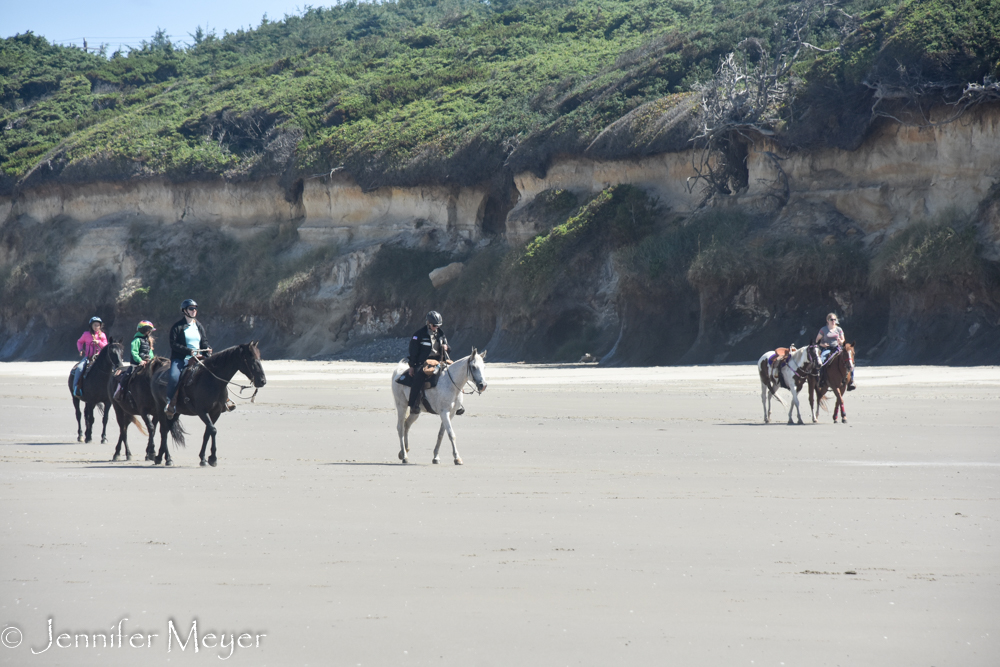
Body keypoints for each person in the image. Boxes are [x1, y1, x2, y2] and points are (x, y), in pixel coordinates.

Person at [165, 299, 212, 418]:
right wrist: (189, 351)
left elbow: (204, 342)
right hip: (181, 358)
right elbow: (173, 344)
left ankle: (224, 399)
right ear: (184, 311)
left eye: (195, 308)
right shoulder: (177, 327)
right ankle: (170, 402)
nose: (194, 310)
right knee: (174, 377)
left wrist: (207, 348)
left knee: (214, 372)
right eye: (191, 308)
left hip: (198, 357)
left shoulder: (199, 326)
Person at [406, 311, 451, 415]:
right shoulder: (419, 334)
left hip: (439, 361)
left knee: (454, 374)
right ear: (428, 323)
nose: (436, 327)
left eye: (438, 326)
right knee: (418, 377)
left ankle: (457, 404)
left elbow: (449, 348)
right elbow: (413, 351)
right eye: (434, 325)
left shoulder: (441, 334)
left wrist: (446, 347)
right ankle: (413, 405)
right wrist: (412, 366)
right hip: (423, 362)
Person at [815, 312, 856, 390]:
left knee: (850, 361)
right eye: (831, 319)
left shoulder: (839, 329)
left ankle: (851, 381)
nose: (833, 321)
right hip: (827, 349)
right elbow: (817, 340)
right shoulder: (823, 329)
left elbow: (843, 339)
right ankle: (821, 379)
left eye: (834, 319)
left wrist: (841, 341)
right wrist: (822, 344)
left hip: (838, 348)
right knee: (822, 360)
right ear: (827, 320)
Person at [73, 316, 108, 397]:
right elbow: (79, 342)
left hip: (100, 358)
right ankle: (76, 388)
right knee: (80, 368)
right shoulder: (86, 334)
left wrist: (98, 342)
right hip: (89, 357)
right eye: (94, 325)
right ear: (91, 326)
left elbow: (106, 347)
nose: (96, 327)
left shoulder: (103, 335)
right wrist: (81, 349)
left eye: (98, 325)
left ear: (100, 326)